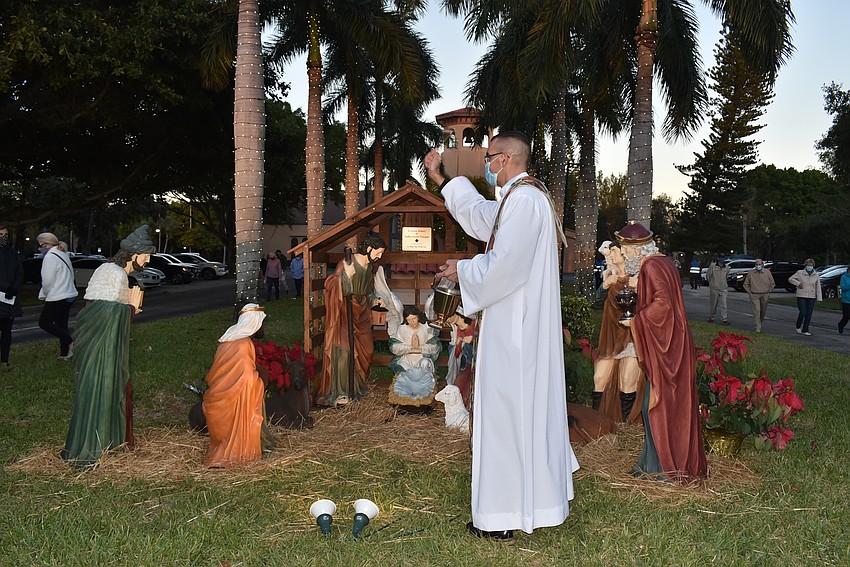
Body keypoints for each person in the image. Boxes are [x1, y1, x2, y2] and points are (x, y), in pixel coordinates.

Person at [425, 131, 578, 541]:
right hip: (516, 328)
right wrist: (441, 180)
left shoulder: (526, 202)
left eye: (489, 158)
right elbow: (479, 215)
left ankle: (500, 516)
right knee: (510, 416)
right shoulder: (519, 199)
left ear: (506, 160)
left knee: (505, 417)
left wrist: (463, 269)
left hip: (517, 335)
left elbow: (504, 267)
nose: (485, 165)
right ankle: (516, 505)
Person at [616, 220, 707, 483]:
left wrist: (635, 321)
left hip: (666, 346)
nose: (623, 255)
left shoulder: (652, 266)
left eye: (625, 250)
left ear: (637, 249)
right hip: (673, 341)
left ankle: (662, 468)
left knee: (657, 406)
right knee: (665, 404)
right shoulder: (664, 262)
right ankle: (658, 463)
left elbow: (663, 305)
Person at [61, 225, 153, 467]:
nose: (148, 259)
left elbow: (104, 308)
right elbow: (105, 312)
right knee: (102, 387)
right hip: (101, 348)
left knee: (112, 388)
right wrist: (130, 309)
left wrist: (128, 309)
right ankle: (94, 446)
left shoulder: (110, 270)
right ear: (134, 255)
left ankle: (110, 441)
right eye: (146, 254)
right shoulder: (116, 274)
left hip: (100, 343)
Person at [317, 232, 386, 407]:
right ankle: (341, 392)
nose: (379, 256)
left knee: (367, 349)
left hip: (361, 315)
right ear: (369, 248)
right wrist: (345, 277)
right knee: (344, 351)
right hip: (343, 314)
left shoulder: (369, 267)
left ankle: (356, 386)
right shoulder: (347, 263)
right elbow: (331, 285)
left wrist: (374, 300)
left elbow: (367, 290)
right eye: (378, 252)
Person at [203, 303, 274, 468]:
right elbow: (247, 379)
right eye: (260, 323)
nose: (261, 327)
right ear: (253, 323)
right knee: (252, 402)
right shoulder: (243, 345)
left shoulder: (227, 340)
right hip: (232, 399)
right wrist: (260, 379)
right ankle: (240, 453)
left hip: (218, 398)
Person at [592, 241, 643, 423]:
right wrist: (605, 286)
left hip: (630, 337)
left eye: (614, 251)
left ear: (624, 254)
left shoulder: (638, 278)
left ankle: (625, 425)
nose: (610, 255)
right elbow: (595, 302)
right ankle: (596, 420)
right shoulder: (609, 275)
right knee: (599, 377)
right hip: (612, 335)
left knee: (627, 379)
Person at [37, 233, 79, 359]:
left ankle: (71, 343)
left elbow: (48, 281)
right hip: (69, 294)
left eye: (41, 245)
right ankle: (64, 353)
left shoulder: (50, 257)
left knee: (44, 323)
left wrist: (44, 293)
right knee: (61, 324)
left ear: (48, 244)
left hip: (57, 295)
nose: (40, 248)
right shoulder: (62, 254)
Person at [388, 306, 441, 404]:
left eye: (414, 318)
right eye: (409, 320)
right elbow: (394, 347)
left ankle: (425, 396)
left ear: (418, 317)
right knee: (403, 374)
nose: (412, 322)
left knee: (425, 365)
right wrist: (409, 347)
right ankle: (405, 398)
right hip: (407, 358)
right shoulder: (402, 329)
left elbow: (435, 346)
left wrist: (420, 348)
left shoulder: (426, 327)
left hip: (421, 357)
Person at [0, 224, 23, 369]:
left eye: (5, 235)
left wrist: (14, 288)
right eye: (0, 234)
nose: (3, 237)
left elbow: (20, 273)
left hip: (9, 300)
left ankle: (4, 360)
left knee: (7, 332)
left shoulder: (13, 253)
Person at [788, 258, 822, 336]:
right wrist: (798, 283)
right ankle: (798, 325)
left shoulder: (816, 275)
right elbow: (790, 279)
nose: (810, 267)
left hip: (811, 296)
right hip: (801, 295)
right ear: (805, 265)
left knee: (809, 314)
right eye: (808, 265)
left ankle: (805, 329)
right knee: (803, 312)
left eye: (811, 265)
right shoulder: (800, 273)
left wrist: (819, 298)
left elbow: (818, 287)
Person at [743, 259, 775, 333]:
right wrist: (750, 293)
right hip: (754, 294)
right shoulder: (751, 273)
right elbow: (746, 284)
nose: (758, 266)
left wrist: (769, 291)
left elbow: (772, 283)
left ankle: (759, 322)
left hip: (765, 294)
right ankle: (758, 326)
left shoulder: (767, 272)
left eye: (760, 264)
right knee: (757, 310)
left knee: (763, 311)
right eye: (757, 264)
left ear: (762, 265)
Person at [706, 257, 730, 324]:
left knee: (724, 304)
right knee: (713, 304)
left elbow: (726, 276)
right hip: (714, 288)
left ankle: (724, 319)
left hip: (723, 287)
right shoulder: (713, 266)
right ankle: (711, 317)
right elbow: (708, 276)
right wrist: (712, 284)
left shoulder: (727, 267)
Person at [838, 266, 850, 334]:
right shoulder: (844, 277)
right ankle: (841, 325)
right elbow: (843, 287)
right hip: (846, 300)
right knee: (846, 316)